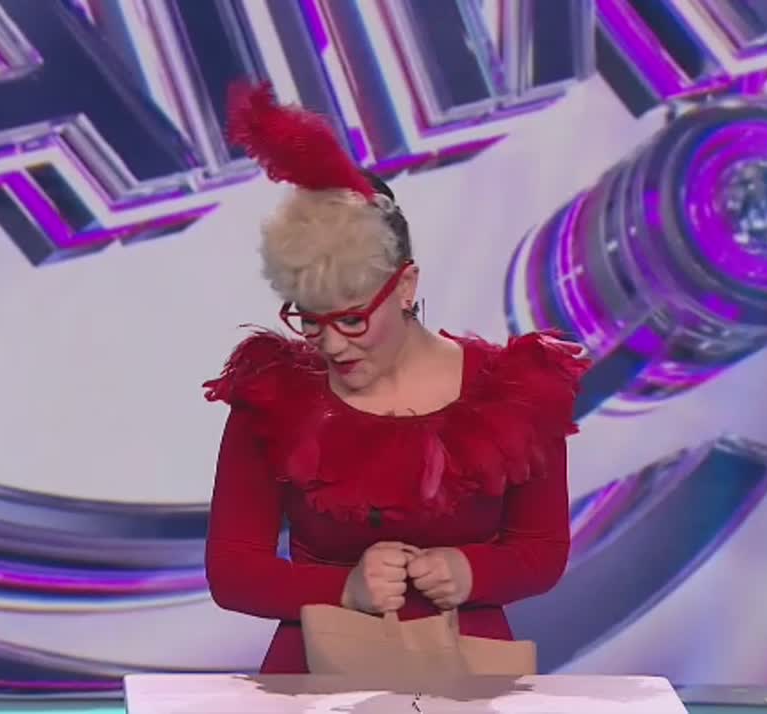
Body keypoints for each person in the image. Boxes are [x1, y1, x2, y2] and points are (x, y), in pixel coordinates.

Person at [201, 82, 589, 674]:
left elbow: (541, 551)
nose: (331, 345)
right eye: (310, 319)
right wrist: (345, 590)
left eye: (352, 319)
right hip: (316, 681)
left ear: (405, 286)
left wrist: (472, 572)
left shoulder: (512, 391)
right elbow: (233, 571)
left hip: (467, 679)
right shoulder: (274, 397)